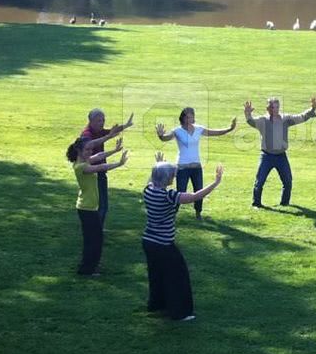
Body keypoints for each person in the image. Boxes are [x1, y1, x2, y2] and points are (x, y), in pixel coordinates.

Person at [142, 156, 224, 321]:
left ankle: (157, 305)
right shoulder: (169, 196)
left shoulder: (148, 190)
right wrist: (215, 183)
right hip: (163, 244)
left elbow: (153, 179)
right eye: (172, 175)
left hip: (148, 241)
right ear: (166, 178)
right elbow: (194, 196)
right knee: (177, 276)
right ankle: (180, 312)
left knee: (157, 274)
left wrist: (158, 165)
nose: (173, 178)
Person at [154, 107, 237, 219]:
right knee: (180, 191)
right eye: (187, 117)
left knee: (199, 189)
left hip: (196, 166)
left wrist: (229, 129)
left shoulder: (199, 129)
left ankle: (198, 213)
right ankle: (173, 213)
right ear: (183, 118)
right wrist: (161, 136)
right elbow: (165, 138)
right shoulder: (177, 131)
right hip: (182, 167)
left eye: (191, 117)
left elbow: (215, 132)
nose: (189, 119)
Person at [66, 137, 128, 277]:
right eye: (87, 149)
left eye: (91, 149)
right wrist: (119, 164)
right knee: (94, 240)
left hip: (89, 207)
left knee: (94, 239)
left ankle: (89, 266)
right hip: (87, 208)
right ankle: (87, 269)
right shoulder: (81, 166)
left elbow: (99, 156)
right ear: (79, 151)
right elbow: (101, 167)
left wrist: (115, 150)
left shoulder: (83, 161)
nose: (90, 152)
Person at [243, 95, 316, 208]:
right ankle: (256, 204)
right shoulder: (263, 121)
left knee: (288, 181)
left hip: (281, 157)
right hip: (266, 156)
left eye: (277, 107)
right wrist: (248, 114)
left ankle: (284, 204)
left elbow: (301, 117)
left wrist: (312, 109)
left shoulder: (285, 119)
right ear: (268, 108)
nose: (276, 110)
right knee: (260, 181)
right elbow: (251, 122)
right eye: (273, 107)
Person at [79, 108, 135, 229]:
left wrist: (126, 125)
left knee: (101, 204)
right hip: (93, 174)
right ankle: (97, 229)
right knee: (101, 205)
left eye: (103, 120)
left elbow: (111, 131)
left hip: (99, 172)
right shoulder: (87, 134)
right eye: (99, 120)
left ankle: (97, 228)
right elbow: (93, 144)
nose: (102, 123)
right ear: (91, 121)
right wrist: (108, 137)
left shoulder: (98, 131)